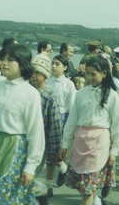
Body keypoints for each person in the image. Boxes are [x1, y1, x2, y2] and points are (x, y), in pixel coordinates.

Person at [0, 45, 45, 204]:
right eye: (2, 59)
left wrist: (31, 166)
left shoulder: (30, 93)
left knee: (5, 198)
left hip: (14, 152)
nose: (4, 63)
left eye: (10, 60)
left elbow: (35, 133)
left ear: (23, 64)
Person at [60, 55, 119, 205]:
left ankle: (93, 199)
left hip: (99, 143)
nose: (89, 77)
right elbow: (72, 120)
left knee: (87, 187)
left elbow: (118, 127)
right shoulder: (81, 93)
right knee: (83, 184)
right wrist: (65, 144)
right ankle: (96, 200)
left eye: (93, 73)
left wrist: (114, 151)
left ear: (104, 73)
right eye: (87, 73)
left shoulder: (112, 95)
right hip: (81, 142)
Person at [31, 52, 63, 202]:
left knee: (32, 172)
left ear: (45, 74)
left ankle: (39, 196)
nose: (34, 75)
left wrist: (55, 149)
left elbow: (55, 125)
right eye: (33, 71)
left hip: (40, 142)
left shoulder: (51, 95)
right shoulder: (27, 90)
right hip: (23, 139)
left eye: (38, 72)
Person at [47, 54, 77, 186]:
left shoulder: (69, 84)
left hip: (62, 118)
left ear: (65, 67)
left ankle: (61, 171)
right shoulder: (48, 81)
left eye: (57, 64)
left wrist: (69, 129)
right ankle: (62, 170)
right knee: (48, 151)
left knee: (54, 151)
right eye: (52, 63)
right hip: (48, 118)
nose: (53, 66)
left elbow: (72, 108)